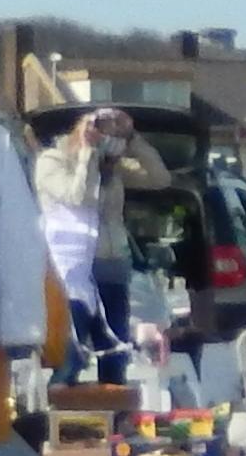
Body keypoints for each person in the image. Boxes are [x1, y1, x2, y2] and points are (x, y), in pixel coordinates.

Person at [31, 105, 166, 374]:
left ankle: (115, 406)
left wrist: (133, 139)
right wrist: (87, 154)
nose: (111, 143)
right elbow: (77, 196)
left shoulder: (114, 170)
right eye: (105, 134)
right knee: (72, 352)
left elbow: (160, 179)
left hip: (112, 265)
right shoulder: (52, 161)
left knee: (115, 352)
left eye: (116, 138)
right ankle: (63, 403)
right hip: (72, 270)